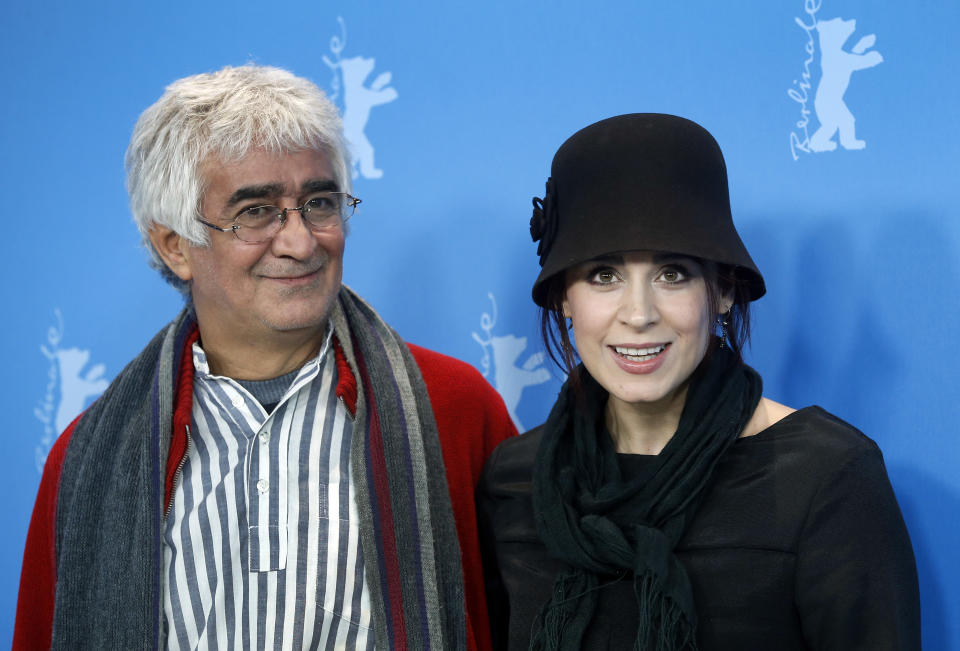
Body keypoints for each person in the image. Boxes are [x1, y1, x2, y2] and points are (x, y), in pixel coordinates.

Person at [14, 64, 516, 650]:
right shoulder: (87, 458)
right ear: (175, 245)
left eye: (320, 203)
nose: (301, 242)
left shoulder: (451, 408)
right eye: (256, 211)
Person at [477, 114, 920, 650]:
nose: (638, 314)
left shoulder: (826, 477)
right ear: (564, 297)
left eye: (673, 274)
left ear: (724, 291)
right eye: (603, 276)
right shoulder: (518, 479)